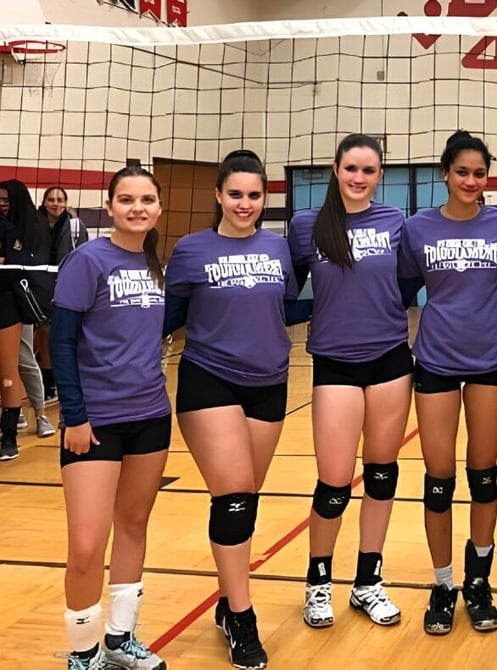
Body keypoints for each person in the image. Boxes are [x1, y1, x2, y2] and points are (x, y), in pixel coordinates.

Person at [165, 150, 300, 670]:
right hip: (209, 380)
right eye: (235, 194)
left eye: (254, 195)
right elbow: (169, 315)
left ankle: (227, 598)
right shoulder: (191, 249)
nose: (245, 204)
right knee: (235, 495)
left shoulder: (278, 248)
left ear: (265, 198)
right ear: (218, 195)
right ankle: (242, 618)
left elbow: (287, 308)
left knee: (248, 495)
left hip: (270, 382)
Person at [287, 133, 411, 631]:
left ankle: (367, 583)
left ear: (379, 175)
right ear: (335, 170)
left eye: (369, 170)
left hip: (390, 361)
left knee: (382, 474)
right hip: (335, 363)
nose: (359, 178)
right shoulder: (306, 226)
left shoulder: (395, 222)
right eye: (351, 168)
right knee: (335, 483)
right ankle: (319, 583)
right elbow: (289, 292)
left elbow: (405, 285)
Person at [398, 130, 497, 636]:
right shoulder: (417, 229)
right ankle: (444, 584)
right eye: (462, 172)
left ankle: (479, 581)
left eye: (479, 173)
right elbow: (403, 291)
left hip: (490, 359)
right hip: (436, 361)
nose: (471, 181)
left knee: (484, 475)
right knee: (439, 480)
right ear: (445, 174)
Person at [51, 165, 170, 670]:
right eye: (127, 199)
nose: (137, 208)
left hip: (150, 415)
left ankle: (121, 639)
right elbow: (61, 340)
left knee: (134, 525)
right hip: (94, 421)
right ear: (110, 206)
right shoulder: (87, 260)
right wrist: (74, 415)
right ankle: (83, 652)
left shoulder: (155, 262)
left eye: (146, 199)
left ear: (158, 207)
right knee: (85, 543)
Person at [0, 179, 48, 460]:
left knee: (14, 367)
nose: (2, 203)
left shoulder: (18, 229)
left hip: (11, 303)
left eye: (6, 199)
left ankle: (11, 435)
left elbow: (16, 268)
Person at [38, 185, 90, 402]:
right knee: (42, 335)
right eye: (51, 199)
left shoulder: (76, 225)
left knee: (65, 335)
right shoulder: (34, 224)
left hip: (67, 286)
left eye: (60, 199)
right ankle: (46, 383)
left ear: (66, 203)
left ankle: (64, 382)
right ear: (44, 202)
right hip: (39, 284)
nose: (56, 203)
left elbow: (85, 255)